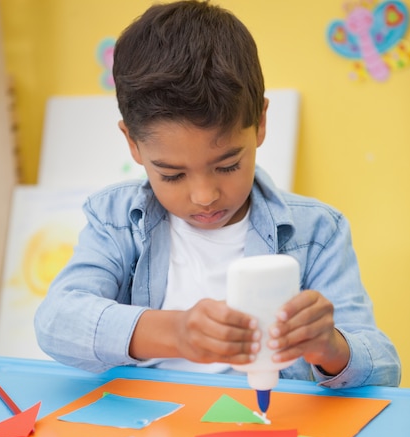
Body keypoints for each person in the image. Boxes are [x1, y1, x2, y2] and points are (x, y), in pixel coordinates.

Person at [34, 0, 400, 388]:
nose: (205, 195)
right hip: (148, 430)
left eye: (227, 166)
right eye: (172, 175)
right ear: (133, 144)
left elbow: (386, 369)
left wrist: (330, 348)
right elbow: (57, 321)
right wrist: (175, 332)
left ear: (260, 122)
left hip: (266, 426)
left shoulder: (317, 232)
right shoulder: (116, 220)